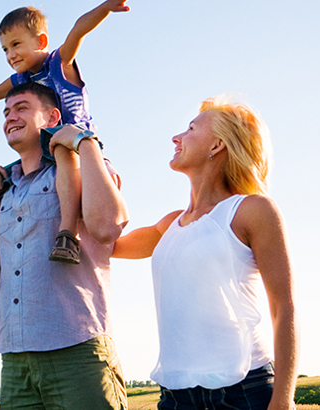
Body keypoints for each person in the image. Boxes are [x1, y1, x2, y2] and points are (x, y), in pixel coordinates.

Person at [0, 82, 130, 409]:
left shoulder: (81, 166)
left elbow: (109, 226)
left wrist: (86, 144)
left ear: (52, 116)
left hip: (77, 350)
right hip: (15, 359)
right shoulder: (3, 191)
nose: (10, 117)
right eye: (6, 112)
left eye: (22, 108)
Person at [0, 1, 130, 287]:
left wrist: (106, 8)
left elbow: (78, 30)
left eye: (16, 44)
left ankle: (67, 234)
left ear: (41, 41)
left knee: (60, 145)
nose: (10, 54)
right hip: (41, 155)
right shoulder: (20, 81)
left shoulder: (59, 63)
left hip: (74, 146)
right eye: (5, 49)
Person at [112, 96, 298, 410]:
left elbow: (284, 307)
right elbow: (104, 244)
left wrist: (282, 399)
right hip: (175, 397)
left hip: (242, 391)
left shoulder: (251, 211)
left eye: (190, 129)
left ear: (216, 147)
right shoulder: (170, 225)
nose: (176, 137)